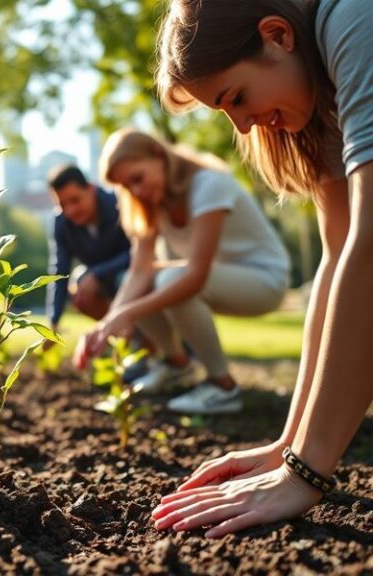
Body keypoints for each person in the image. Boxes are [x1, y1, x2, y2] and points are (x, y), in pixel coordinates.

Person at [150, 0, 373, 537]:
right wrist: (289, 445)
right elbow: (339, 255)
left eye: (237, 99)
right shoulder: (321, 91)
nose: (245, 126)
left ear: (277, 36)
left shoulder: (354, 21)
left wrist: (305, 472)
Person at [74, 128, 290, 416]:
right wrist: (109, 321)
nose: (136, 192)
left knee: (171, 278)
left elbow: (195, 277)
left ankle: (222, 387)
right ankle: (175, 365)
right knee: (132, 279)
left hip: (264, 280)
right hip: (218, 278)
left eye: (137, 178)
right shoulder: (152, 204)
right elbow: (139, 271)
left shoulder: (208, 184)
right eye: (127, 187)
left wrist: (129, 313)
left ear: (158, 154)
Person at [46, 164, 132, 335]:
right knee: (79, 286)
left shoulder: (118, 205)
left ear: (91, 189)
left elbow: (138, 253)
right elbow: (59, 271)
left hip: (130, 275)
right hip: (100, 282)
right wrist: (53, 321)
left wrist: (98, 273)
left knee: (124, 279)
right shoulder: (61, 222)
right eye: (62, 204)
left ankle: (149, 343)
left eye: (75, 200)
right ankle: (124, 337)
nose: (70, 210)